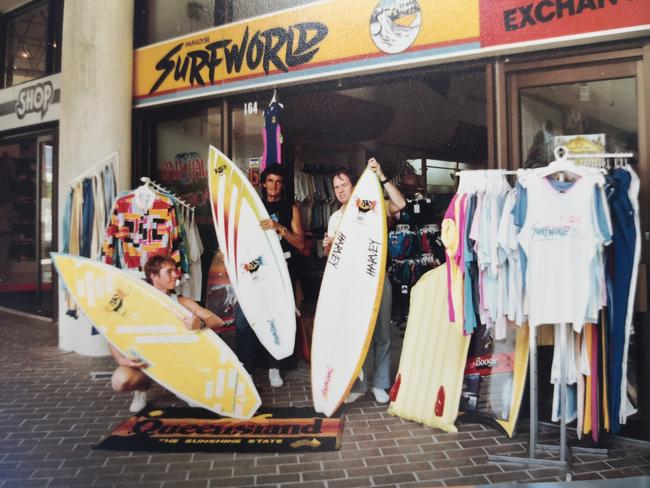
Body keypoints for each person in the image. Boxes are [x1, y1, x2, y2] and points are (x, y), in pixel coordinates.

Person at [323, 157, 406, 404]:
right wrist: (328, 248)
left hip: (378, 280)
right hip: (350, 285)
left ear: (354, 185)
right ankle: (356, 384)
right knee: (352, 335)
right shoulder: (335, 218)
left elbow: (400, 203)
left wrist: (381, 175)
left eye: (344, 185)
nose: (339, 191)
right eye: (336, 187)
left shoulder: (371, 204)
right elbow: (331, 259)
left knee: (382, 333)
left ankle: (380, 384)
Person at [110, 255, 224, 412]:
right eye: (169, 271)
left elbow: (218, 321)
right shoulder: (136, 301)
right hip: (146, 359)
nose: (176, 275)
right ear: (154, 276)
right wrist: (121, 359)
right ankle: (142, 388)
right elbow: (111, 330)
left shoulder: (180, 301)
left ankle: (184, 387)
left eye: (175, 271)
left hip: (177, 360)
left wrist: (201, 323)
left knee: (198, 399)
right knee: (120, 381)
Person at [235, 163, 305, 387]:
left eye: (278, 182)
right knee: (248, 316)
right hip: (259, 269)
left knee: (279, 317)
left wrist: (279, 227)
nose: (274, 185)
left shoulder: (290, 208)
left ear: (282, 185)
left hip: (283, 269)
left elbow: (301, 243)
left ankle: (276, 367)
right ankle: (248, 367)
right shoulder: (253, 206)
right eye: (270, 181)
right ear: (263, 183)